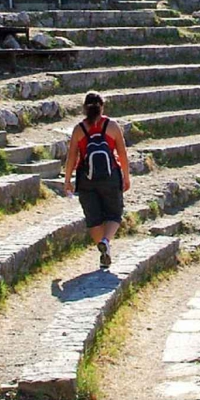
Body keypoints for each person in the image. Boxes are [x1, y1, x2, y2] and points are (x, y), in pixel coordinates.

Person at [63, 91, 130, 269]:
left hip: (86, 179)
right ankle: (106, 241)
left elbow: (71, 157)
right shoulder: (112, 126)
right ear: (102, 107)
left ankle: (103, 249)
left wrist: (67, 180)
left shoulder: (79, 129)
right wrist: (126, 176)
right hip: (110, 176)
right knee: (114, 214)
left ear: (84, 108)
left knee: (93, 218)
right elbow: (122, 153)